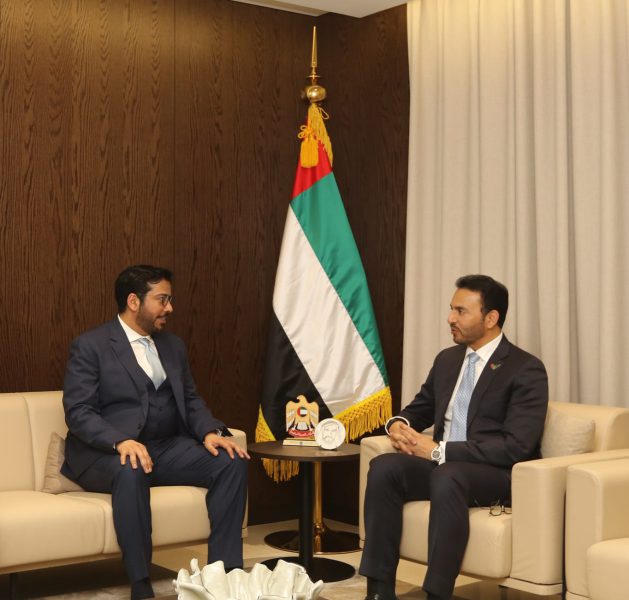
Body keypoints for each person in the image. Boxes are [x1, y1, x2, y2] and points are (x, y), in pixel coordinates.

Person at [61, 265, 249, 600]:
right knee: (131, 468)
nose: (170, 308)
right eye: (162, 300)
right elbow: (78, 412)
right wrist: (120, 441)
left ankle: (224, 575)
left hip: (164, 448)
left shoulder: (173, 346)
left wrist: (208, 432)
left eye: (170, 300)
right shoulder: (91, 346)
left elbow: (190, 398)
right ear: (134, 301)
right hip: (105, 454)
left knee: (230, 460)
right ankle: (141, 584)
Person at [359, 274, 548, 600]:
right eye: (451, 309)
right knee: (384, 467)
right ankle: (378, 591)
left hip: (495, 474)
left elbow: (516, 446)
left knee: (448, 474)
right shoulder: (448, 360)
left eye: (461, 311)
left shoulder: (525, 369)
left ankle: (437, 593)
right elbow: (421, 407)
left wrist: (439, 451)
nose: (450, 318)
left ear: (491, 318)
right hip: (444, 468)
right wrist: (398, 425)